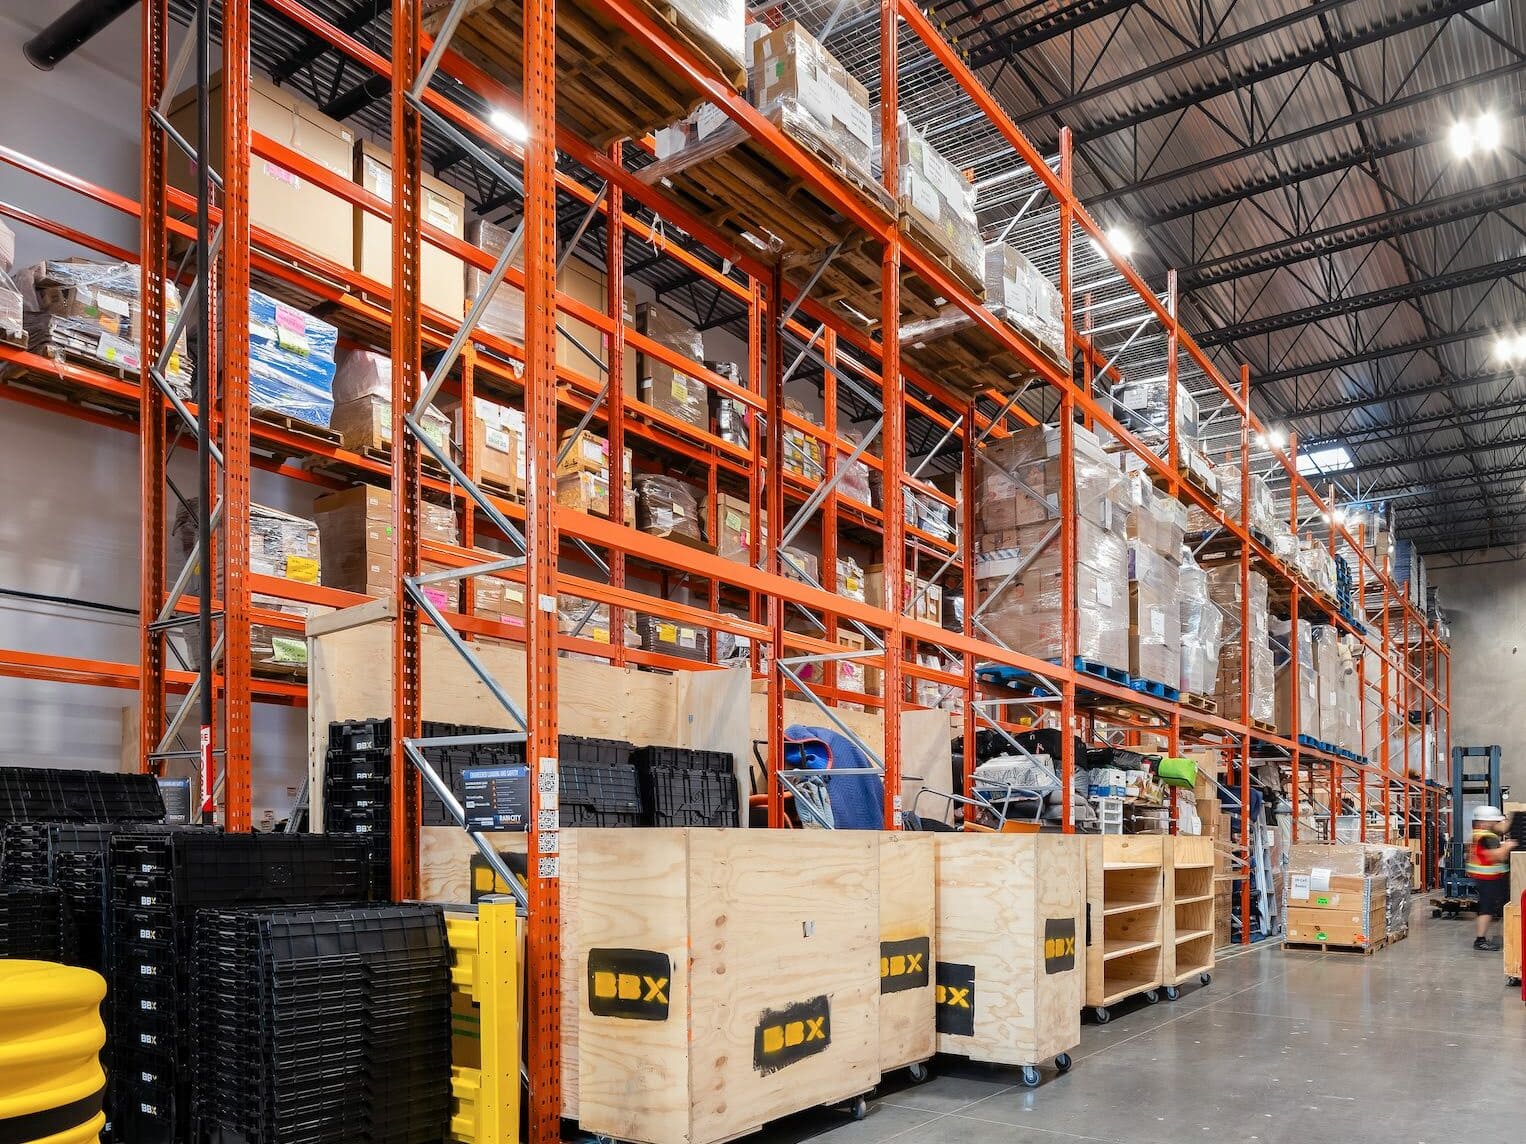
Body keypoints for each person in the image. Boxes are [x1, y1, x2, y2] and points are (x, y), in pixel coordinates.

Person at [1468, 805, 1516, 951]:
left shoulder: (1485, 832)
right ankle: (1480, 940)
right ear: (1485, 822)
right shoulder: (1486, 837)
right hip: (1488, 879)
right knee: (1486, 909)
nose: (1498, 824)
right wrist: (1509, 845)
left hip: (1492, 878)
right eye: (1495, 821)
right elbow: (1498, 856)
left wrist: (1513, 815)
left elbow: (1502, 828)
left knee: (1495, 907)